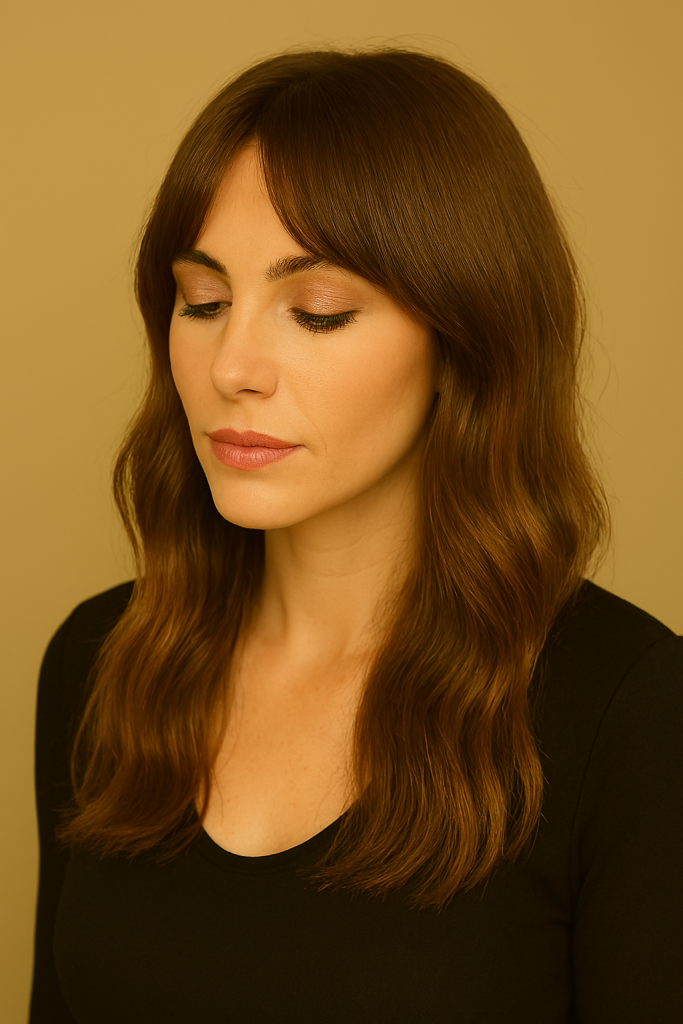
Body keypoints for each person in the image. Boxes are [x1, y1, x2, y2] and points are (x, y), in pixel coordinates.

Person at [30, 46, 682, 1023]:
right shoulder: (98, 659)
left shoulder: (632, 712)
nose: (231, 366)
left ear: (463, 340)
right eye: (203, 301)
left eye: (317, 311)